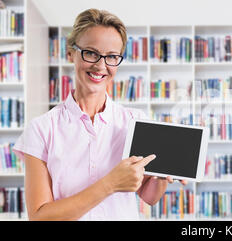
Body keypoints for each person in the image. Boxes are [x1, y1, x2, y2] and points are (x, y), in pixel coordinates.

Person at [12, 8, 186, 221]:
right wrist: (110, 183)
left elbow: (149, 197)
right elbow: (40, 217)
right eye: (91, 53)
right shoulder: (41, 129)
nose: (101, 65)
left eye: (112, 56)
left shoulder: (135, 121)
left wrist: (162, 175)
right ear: (71, 53)